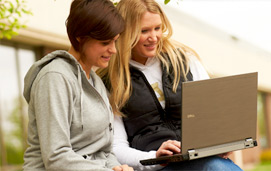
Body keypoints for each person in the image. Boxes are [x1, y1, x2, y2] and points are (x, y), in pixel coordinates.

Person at [97, 0, 245, 170]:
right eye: (144, 31)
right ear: (125, 32)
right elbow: (116, 148)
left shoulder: (185, 60)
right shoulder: (111, 81)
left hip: (203, 161)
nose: (154, 37)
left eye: (158, 28)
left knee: (217, 167)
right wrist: (155, 157)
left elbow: (212, 116)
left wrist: (221, 141)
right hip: (158, 167)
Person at [22, 0, 133, 170]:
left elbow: (104, 151)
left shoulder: (96, 82)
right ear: (79, 37)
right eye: (105, 43)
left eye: (114, 41)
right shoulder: (55, 77)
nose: (113, 50)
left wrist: (117, 167)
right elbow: (56, 157)